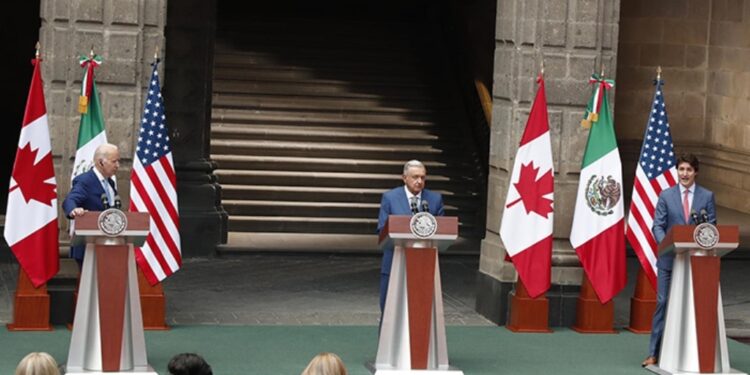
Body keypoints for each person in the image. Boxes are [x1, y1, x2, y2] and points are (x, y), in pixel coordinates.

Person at [642, 153, 716, 367]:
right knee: (663, 302)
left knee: (693, 306)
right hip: (669, 260)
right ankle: (653, 353)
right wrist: (666, 245)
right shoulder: (666, 195)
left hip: (696, 262)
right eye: (681, 169)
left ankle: (689, 354)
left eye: (689, 170)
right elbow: (657, 225)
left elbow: (711, 227)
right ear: (677, 171)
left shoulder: (707, 196)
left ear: (696, 172)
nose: (684, 174)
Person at [376, 160, 445, 313]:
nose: (419, 181)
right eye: (415, 177)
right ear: (404, 177)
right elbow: (381, 230)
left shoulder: (434, 199)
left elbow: (443, 230)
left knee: (421, 311)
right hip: (395, 261)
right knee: (390, 311)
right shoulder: (390, 198)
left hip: (424, 264)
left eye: (422, 177)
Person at [62, 143, 121, 266]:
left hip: (107, 246)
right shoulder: (85, 180)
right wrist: (74, 210)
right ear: (101, 163)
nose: (118, 166)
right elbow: (70, 200)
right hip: (88, 247)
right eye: (114, 161)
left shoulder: (110, 183)